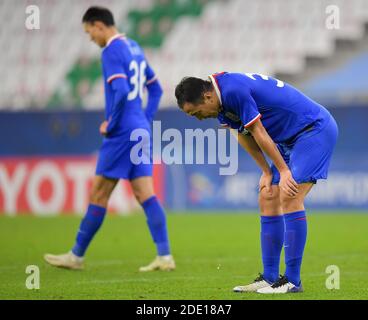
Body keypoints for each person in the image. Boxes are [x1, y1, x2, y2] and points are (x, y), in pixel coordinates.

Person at [175, 72, 338, 293]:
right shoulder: (221, 101)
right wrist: (265, 171)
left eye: (195, 112)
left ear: (207, 96)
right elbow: (243, 134)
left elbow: (258, 131)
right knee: (268, 194)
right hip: (289, 140)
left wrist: (282, 170)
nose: (198, 117)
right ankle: (270, 277)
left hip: (313, 130)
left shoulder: (232, 91)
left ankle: (292, 280)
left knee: (289, 194)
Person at [44, 6, 175, 272]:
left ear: (99, 25)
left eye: (89, 31)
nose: (90, 37)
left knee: (99, 192)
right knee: (145, 193)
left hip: (122, 132)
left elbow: (121, 89)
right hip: (139, 129)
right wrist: (143, 118)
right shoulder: (135, 47)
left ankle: (76, 256)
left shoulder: (112, 51)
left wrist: (111, 123)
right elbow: (156, 88)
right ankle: (165, 256)